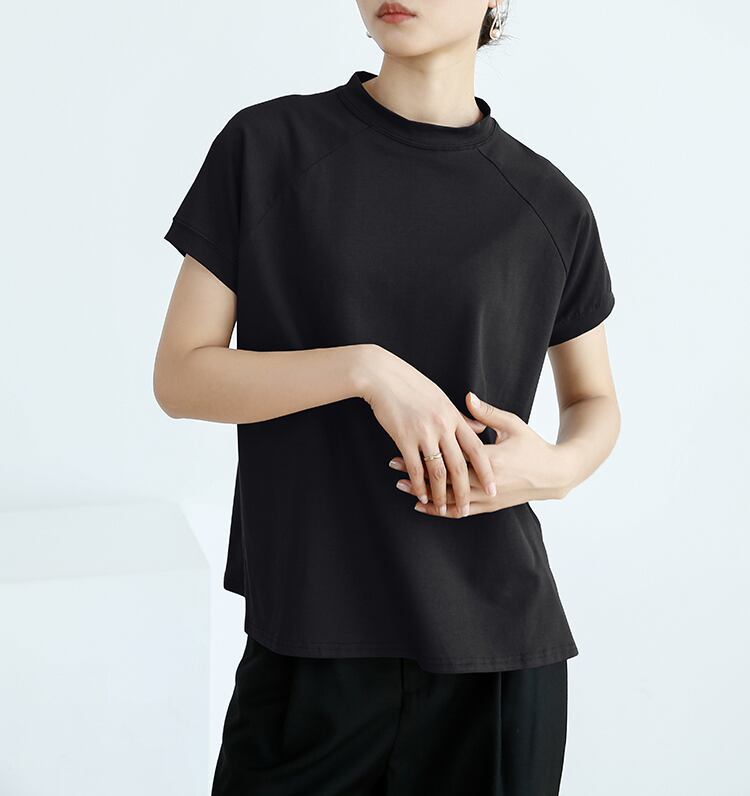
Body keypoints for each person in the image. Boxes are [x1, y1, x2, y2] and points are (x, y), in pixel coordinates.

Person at [154, 1, 620, 793]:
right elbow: (182, 377)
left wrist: (559, 470)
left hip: (494, 656)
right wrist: (364, 371)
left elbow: (595, 399)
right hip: (309, 645)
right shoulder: (269, 146)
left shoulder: (550, 204)